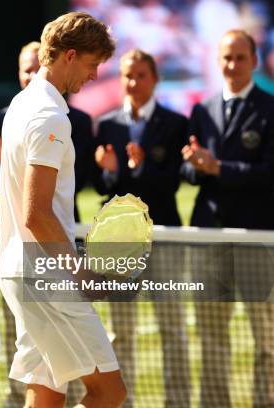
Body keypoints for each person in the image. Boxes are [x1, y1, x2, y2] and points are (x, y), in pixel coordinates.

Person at [0, 12, 126, 408]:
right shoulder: (48, 116)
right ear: (69, 55)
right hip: (46, 278)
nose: (93, 76)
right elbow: (37, 214)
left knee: (47, 392)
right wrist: (80, 272)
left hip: (24, 271)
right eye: (91, 65)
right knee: (109, 391)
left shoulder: (23, 103)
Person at [180, 29, 274, 408]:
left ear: (254, 61)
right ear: (217, 62)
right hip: (211, 237)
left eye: (239, 57)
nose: (232, 65)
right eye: (226, 58)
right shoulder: (202, 110)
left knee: (266, 337)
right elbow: (187, 174)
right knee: (212, 334)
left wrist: (218, 167)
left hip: (258, 237)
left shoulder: (270, 109)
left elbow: (269, 172)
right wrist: (194, 166)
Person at [93, 49, 190, 408]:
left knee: (172, 328)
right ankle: (124, 402)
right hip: (121, 243)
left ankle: (177, 402)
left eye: (140, 76)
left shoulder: (176, 123)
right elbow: (104, 188)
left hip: (163, 239)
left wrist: (138, 168)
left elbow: (171, 185)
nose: (132, 83)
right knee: (120, 332)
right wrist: (110, 170)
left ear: (154, 79)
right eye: (127, 76)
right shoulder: (108, 125)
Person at [0, 41, 95, 219]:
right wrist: (1, 160)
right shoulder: (4, 116)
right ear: (18, 73)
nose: (33, 76)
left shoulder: (77, 120)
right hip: (16, 227)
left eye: (38, 69)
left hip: (59, 224)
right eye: (27, 70)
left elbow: (75, 180)